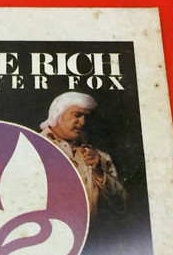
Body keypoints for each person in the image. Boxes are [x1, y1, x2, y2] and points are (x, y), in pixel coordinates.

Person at [40, 91, 127, 219]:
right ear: (57, 115)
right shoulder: (32, 147)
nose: (83, 122)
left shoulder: (101, 158)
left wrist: (99, 173)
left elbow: (122, 204)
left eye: (87, 117)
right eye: (77, 115)